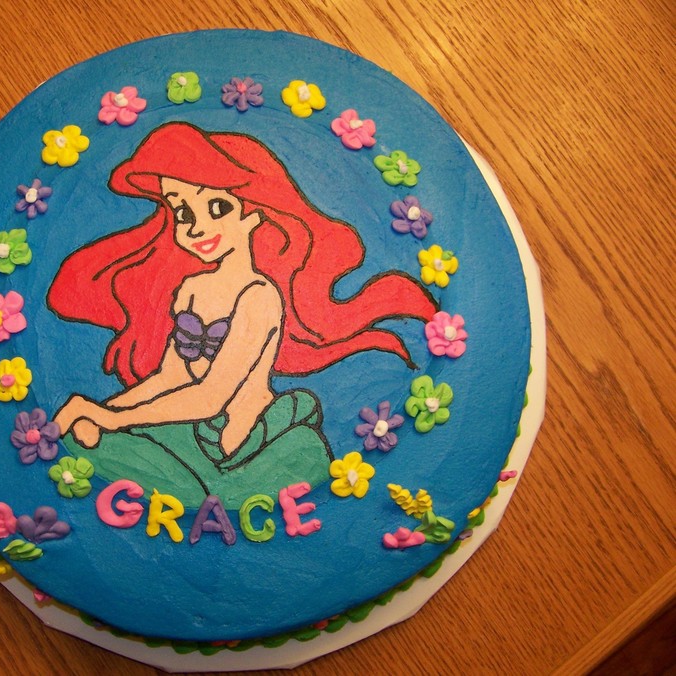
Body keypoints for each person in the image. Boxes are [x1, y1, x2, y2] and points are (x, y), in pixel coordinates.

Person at [48, 122, 437, 507]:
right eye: (182, 211)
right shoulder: (191, 289)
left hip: (246, 446)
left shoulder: (259, 296)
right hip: (191, 428)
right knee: (87, 445)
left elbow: (213, 396)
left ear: (253, 213)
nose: (197, 227)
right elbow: (171, 377)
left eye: (217, 208)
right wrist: (106, 410)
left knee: (117, 454)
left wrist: (112, 420)